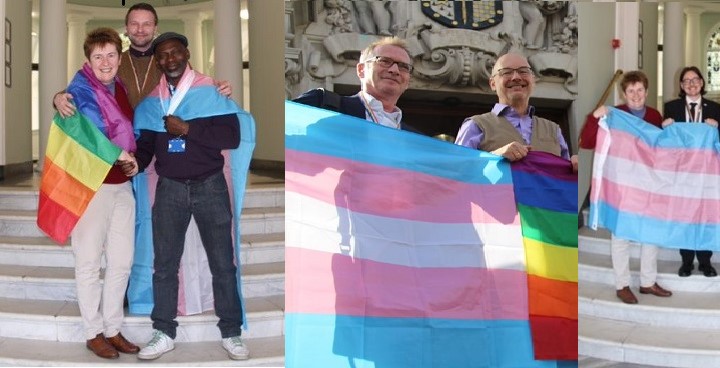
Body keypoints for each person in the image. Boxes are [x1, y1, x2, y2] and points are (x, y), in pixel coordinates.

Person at [126, 32, 251, 361]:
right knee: (164, 266)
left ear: (187, 53)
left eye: (175, 53)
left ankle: (231, 332)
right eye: (163, 55)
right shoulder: (153, 103)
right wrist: (132, 164)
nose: (170, 59)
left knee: (223, 264)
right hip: (169, 189)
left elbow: (232, 136)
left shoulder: (211, 91)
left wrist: (188, 130)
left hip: (210, 185)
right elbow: (147, 149)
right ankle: (164, 331)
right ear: (158, 61)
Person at [61, 27, 140, 359]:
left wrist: (131, 161)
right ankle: (93, 332)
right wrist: (123, 156)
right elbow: (87, 131)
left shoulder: (119, 87)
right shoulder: (77, 91)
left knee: (122, 261)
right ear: (87, 60)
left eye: (111, 55)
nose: (105, 62)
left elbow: (127, 131)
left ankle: (113, 328)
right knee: (89, 262)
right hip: (89, 187)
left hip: (121, 185)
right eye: (98, 56)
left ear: (118, 58)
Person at [579, 70, 672, 304]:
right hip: (621, 186)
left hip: (648, 185)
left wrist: (667, 129)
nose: (636, 94)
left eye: (640, 90)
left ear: (647, 92)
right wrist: (594, 117)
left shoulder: (654, 115)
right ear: (624, 93)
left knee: (651, 233)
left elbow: (662, 150)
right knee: (620, 235)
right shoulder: (615, 114)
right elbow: (587, 142)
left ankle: (648, 282)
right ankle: (622, 285)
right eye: (631, 90)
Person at [53, 2, 231, 115]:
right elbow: (82, 87)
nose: (140, 29)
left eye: (146, 24)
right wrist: (58, 98)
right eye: (134, 24)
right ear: (127, 27)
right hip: (122, 141)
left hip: (162, 137)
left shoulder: (171, 61)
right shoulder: (112, 61)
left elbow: (195, 86)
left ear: (155, 28)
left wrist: (217, 87)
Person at [455, 52, 578, 172]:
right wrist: (494, 157)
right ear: (493, 84)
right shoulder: (476, 125)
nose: (516, 77)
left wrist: (573, 168)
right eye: (507, 72)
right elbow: (456, 171)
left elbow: (563, 181)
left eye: (523, 71)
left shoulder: (554, 130)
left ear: (533, 80)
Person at [662, 66, 720, 278]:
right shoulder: (672, 108)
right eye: (686, 80)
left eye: (695, 79)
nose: (691, 83)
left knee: (705, 215)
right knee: (684, 215)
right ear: (681, 85)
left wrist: (718, 127)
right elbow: (666, 143)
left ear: (702, 83)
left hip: (707, 174)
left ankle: (705, 262)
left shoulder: (715, 108)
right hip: (682, 174)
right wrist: (664, 127)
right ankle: (686, 261)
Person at [293, 36, 418, 132]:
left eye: (403, 66)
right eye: (384, 61)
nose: (395, 70)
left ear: (407, 81)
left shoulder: (418, 140)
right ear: (361, 70)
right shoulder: (321, 105)